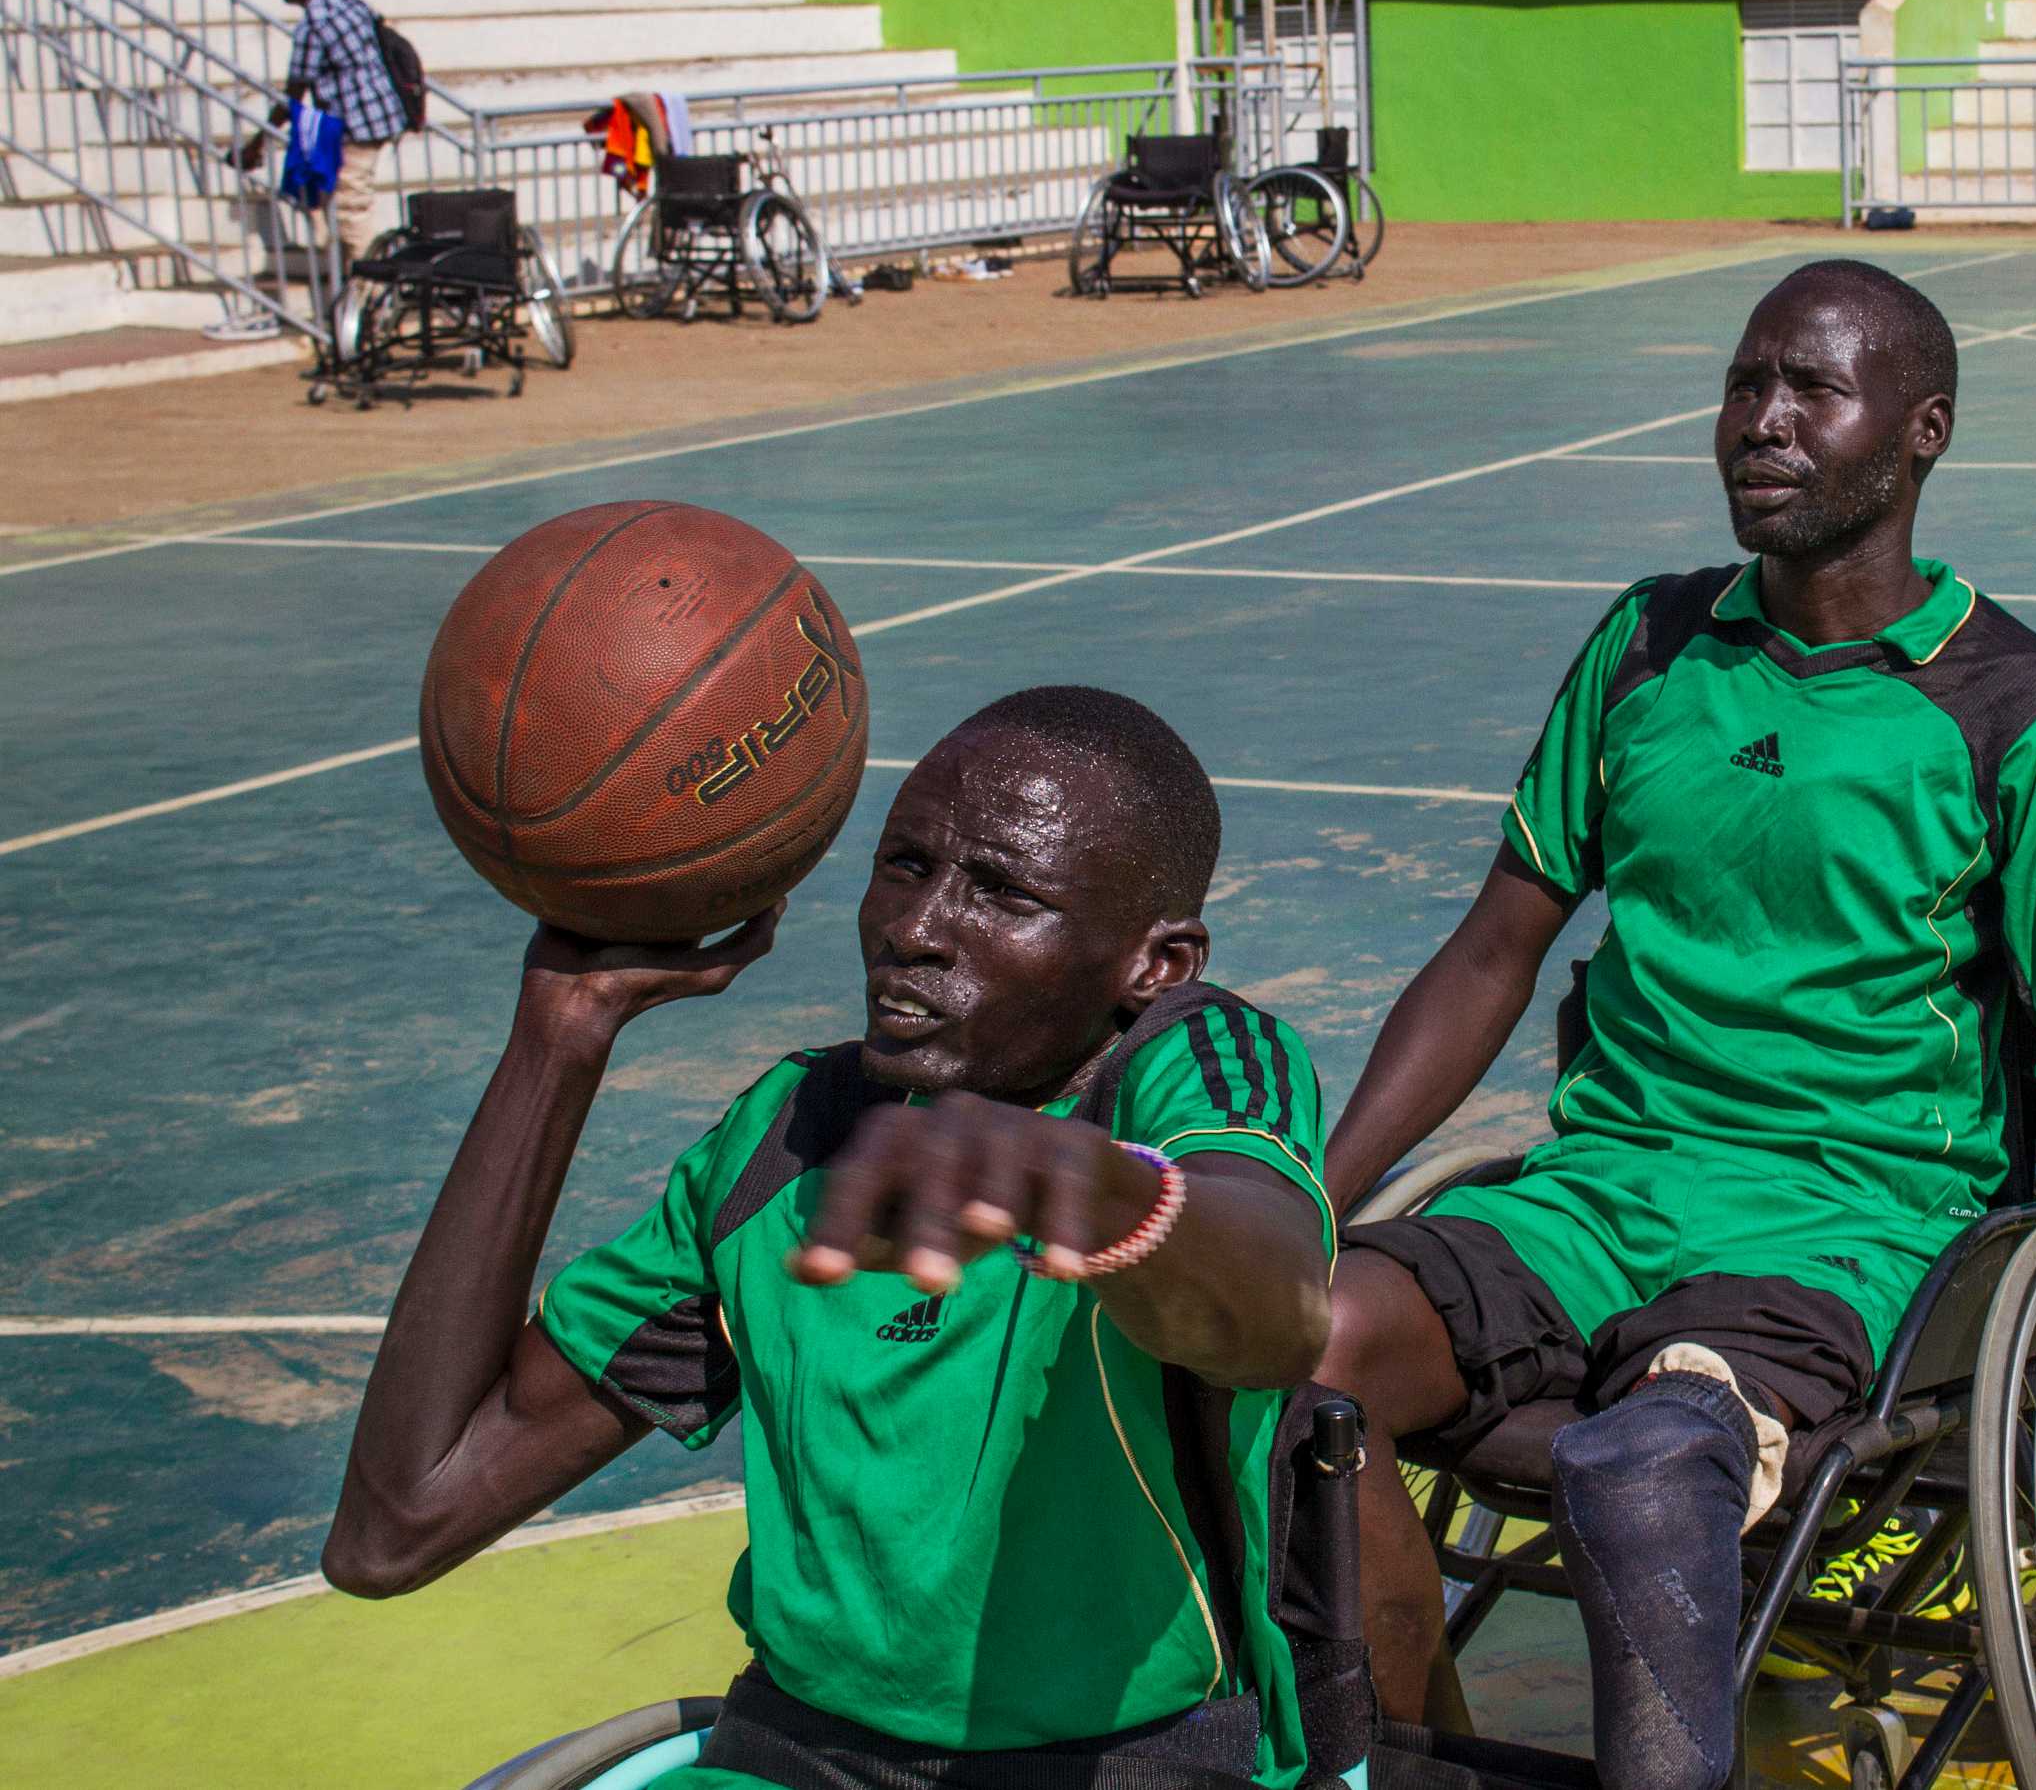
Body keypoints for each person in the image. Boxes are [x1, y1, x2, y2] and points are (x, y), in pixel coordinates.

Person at [1314, 261, 2036, 1786]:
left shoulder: (2019, 705)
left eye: (1811, 390)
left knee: (1649, 1459)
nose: (1761, 421)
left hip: (1848, 1222)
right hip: (1601, 1193)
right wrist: (1313, 1196)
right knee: (1296, 1345)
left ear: (1921, 431)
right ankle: (1406, 1752)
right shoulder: (1648, 644)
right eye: (1744, 384)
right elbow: (1494, 949)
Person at [320, 688, 1340, 1790]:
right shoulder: (786, 1133)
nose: (916, 928)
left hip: (1130, 1763)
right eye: (905, 864)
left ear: (1157, 964)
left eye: (1002, 891)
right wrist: (560, 1032)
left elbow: (1274, 1311)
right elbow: (397, 1527)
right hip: (791, 1754)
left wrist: (1087, 1187)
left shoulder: (1190, 1070)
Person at [266, 0, 407, 263]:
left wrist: (258, 141)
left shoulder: (313, 24)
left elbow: (295, 90)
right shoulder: (352, 5)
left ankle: (371, 282)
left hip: (356, 125)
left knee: (350, 209)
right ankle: (346, 271)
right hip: (379, 114)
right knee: (327, 197)